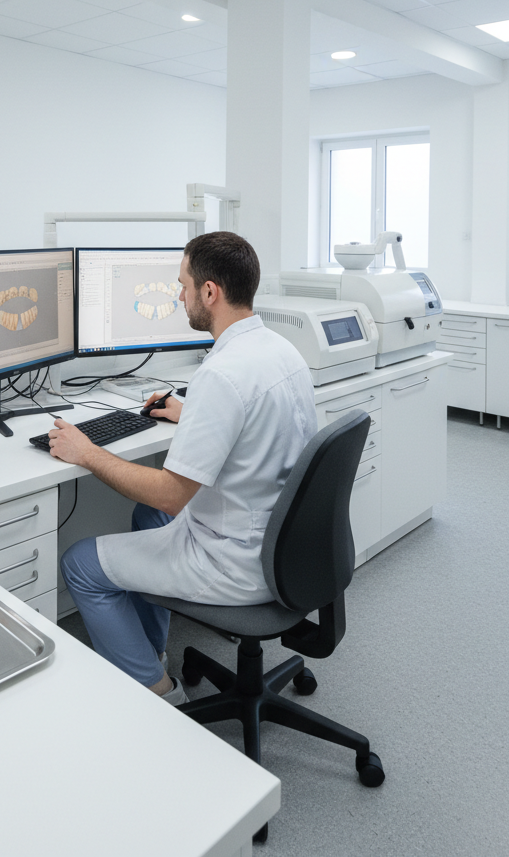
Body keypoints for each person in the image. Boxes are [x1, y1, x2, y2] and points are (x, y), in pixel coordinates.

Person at [53, 232, 317, 704]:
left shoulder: (221, 374)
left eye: (183, 284)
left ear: (210, 292)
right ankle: (152, 653)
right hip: (283, 545)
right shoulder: (281, 351)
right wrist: (190, 413)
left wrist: (86, 451)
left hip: (235, 561)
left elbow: (170, 494)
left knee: (80, 564)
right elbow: (252, 422)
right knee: (147, 521)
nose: (179, 295)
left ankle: (159, 693)